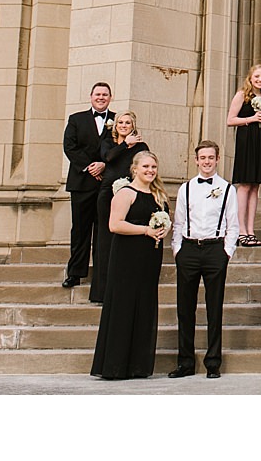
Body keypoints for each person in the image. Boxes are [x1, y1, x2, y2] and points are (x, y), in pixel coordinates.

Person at [90, 149, 170, 380]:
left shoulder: (159, 195)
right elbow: (114, 225)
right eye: (145, 167)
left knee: (144, 304)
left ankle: (138, 365)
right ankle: (115, 365)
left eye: (153, 167)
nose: (150, 171)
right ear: (134, 169)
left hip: (150, 256)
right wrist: (146, 230)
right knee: (123, 306)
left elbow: (166, 219)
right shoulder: (126, 193)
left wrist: (165, 228)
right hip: (127, 256)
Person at [169, 141, 238, 379]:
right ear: (196, 160)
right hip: (188, 249)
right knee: (185, 308)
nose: (207, 161)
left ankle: (213, 362)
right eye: (203, 157)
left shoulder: (228, 189)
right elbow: (178, 222)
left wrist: (226, 252)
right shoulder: (185, 188)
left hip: (214, 251)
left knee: (214, 307)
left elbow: (233, 224)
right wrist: (177, 250)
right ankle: (185, 362)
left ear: (217, 159)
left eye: (211, 157)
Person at [90, 109, 148, 303]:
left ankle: (121, 290)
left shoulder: (141, 146)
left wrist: (131, 145)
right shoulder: (108, 142)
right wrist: (125, 144)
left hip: (129, 194)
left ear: (133, 126)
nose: (124, 126)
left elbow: (143, 165)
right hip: (107, 195)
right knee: (105, 242)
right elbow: (108, 158)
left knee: (123, 241)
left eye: (128, 123)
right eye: (121, 123)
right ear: (116, 126)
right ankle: (101, 292)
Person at [63, 82, 115, 289]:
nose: (101, 97)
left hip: (107, 184)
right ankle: (75, 273)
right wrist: (89, 166)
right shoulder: (76, 119)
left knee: (103, 231)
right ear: (90, 96)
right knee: (80, 230)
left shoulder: (118, 120)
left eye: (105, 94)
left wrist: (104, 164)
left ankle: (102, 277)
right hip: (81, 183)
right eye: (98, 94)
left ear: (110, 97)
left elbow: (122, 148)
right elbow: (70, 147)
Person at [225, 63, 261, 246]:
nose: (260, 80)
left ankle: (251, 230)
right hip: (246, 141)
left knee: (255, 186)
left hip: (260, 142)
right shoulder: (242, 95)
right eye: (257, 77)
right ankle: (240, 231)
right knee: (245, 185)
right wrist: (251, 119)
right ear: (250, 77)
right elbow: (230, 120)